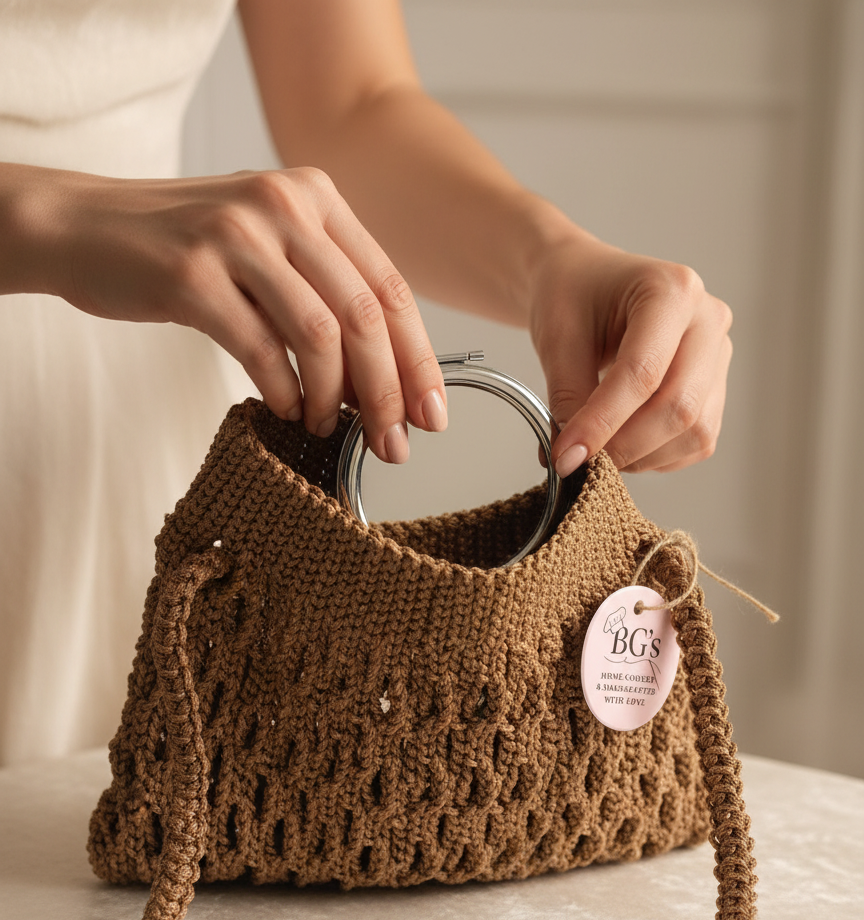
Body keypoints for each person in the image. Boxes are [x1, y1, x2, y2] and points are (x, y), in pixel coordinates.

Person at [0, 0, 732, 767]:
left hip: (132, 414)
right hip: (138, 290)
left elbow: (352, 103)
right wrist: (53, 215)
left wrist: (553, 259)